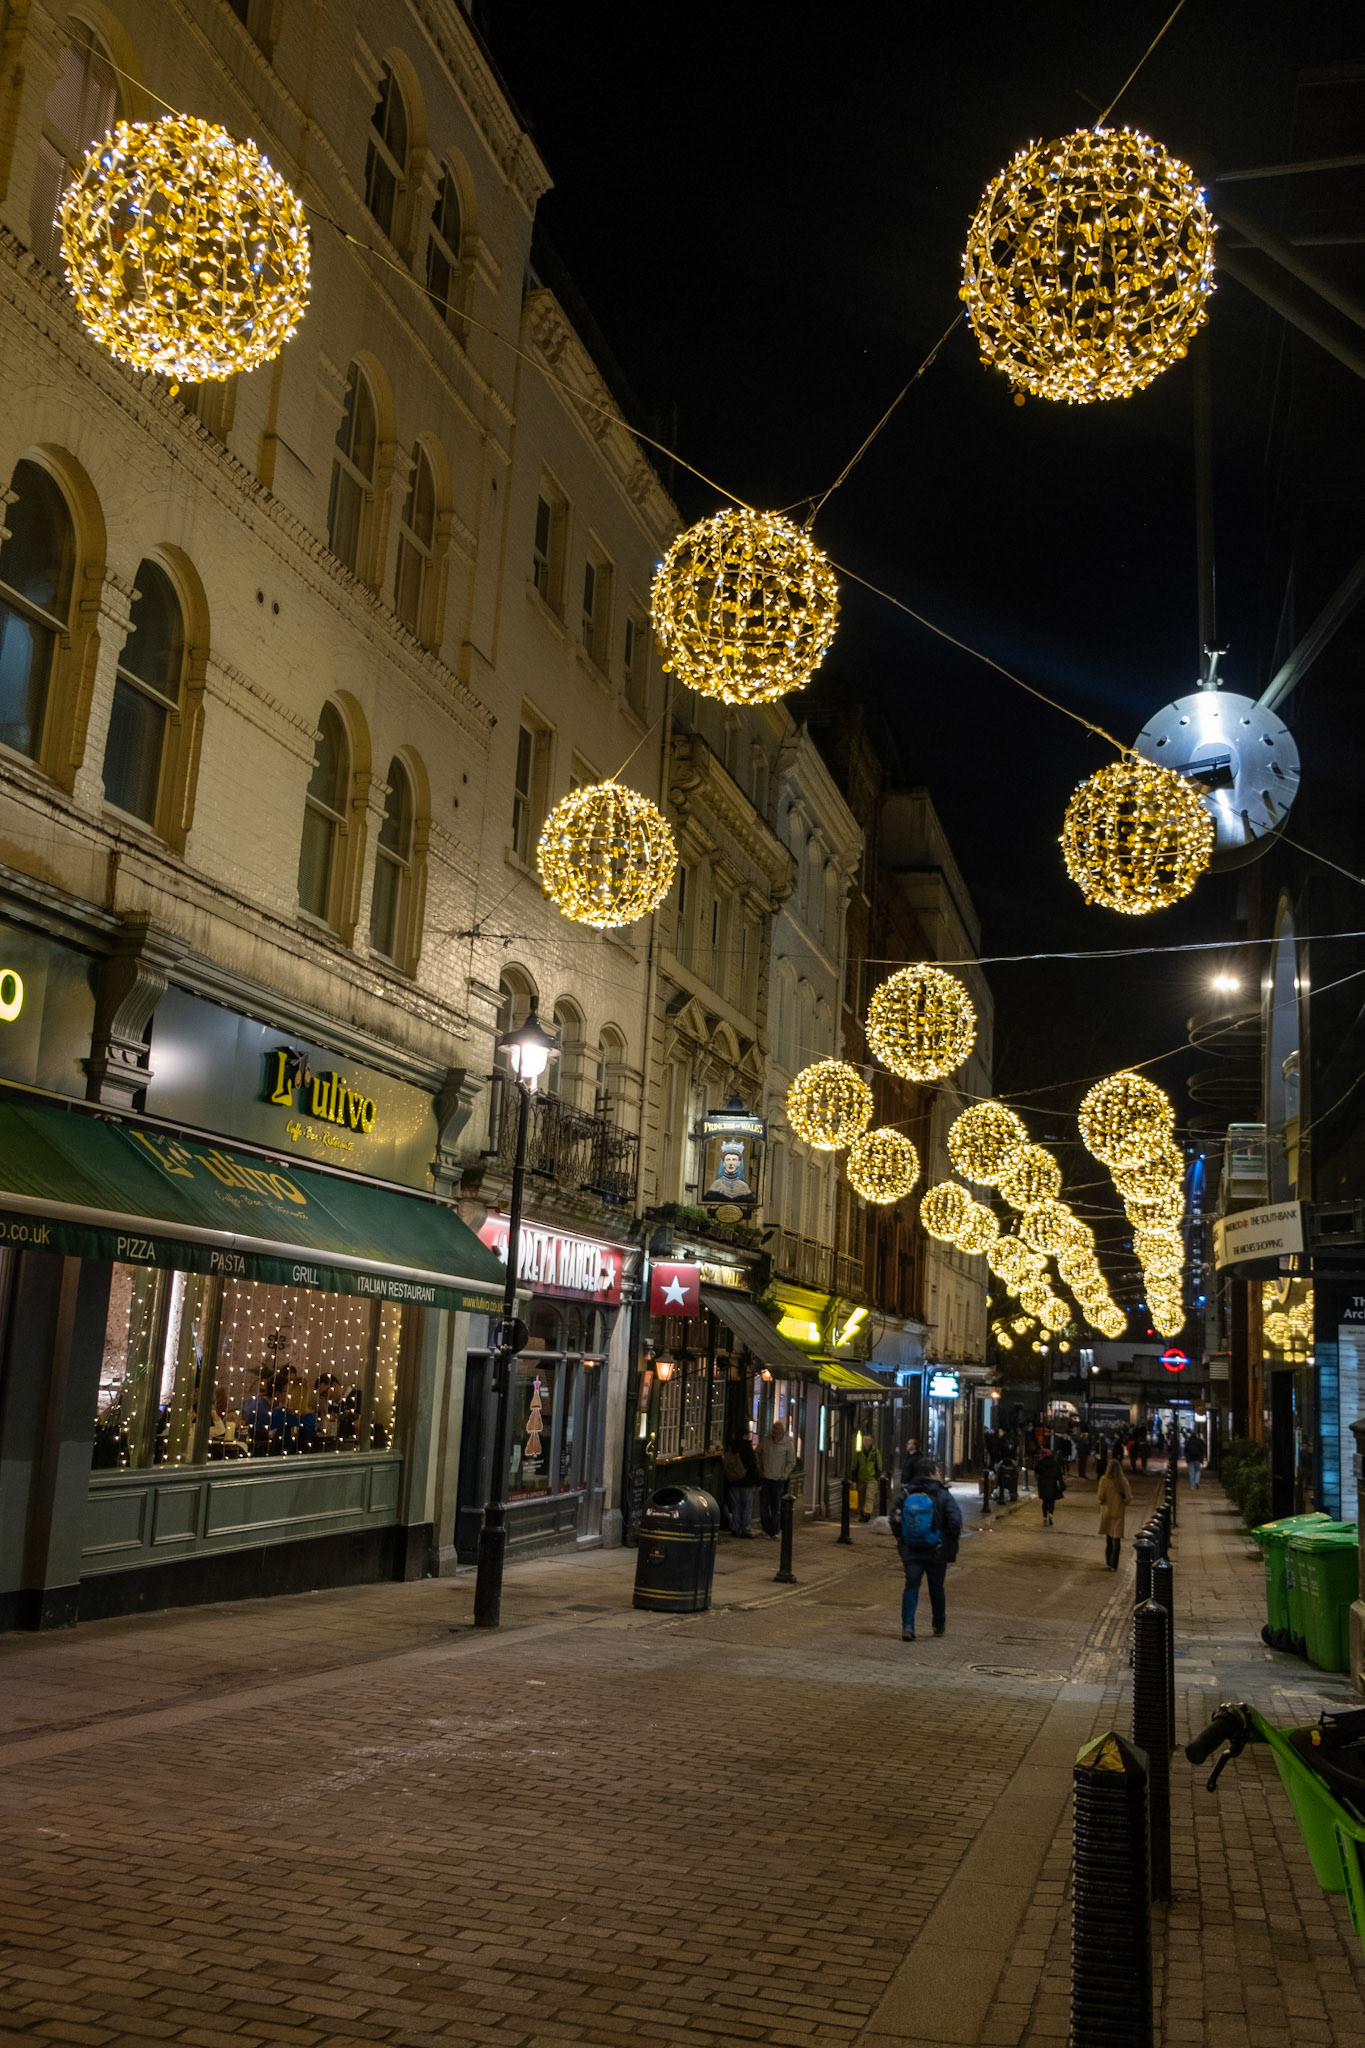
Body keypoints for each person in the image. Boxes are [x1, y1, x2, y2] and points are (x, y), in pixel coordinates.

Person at [890, 1456, 963, 1641]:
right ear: (931, 1473)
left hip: (911, 1550)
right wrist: (947, 1540)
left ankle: (908, 1627)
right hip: (936, 1550)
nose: (938, 1474)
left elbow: (894, 1519)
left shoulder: (906, 1493)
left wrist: (903, 1539)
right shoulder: (942, 1494)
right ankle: (938, 1624)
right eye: (937, 1471)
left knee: (911, 1587)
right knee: (936, 1588)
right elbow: (955, 1521)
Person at [757, 1417, 796, 1536]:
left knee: (776, 1507)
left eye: (777, 1430)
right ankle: (766, 1529)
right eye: (773, 1430)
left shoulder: (788, 1443)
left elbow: (791, 1462)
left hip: (778, 1481)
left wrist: (784, 1475)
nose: (774, 1432)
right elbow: (757, 1453)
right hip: (765, 1478)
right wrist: (760, 1469)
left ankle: (774, 1531)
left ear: (782, 1432)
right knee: (764, 1506)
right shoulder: (766, 1441)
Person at [1097, 1448, 1132, 1570]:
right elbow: (1128, 1498)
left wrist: (1103, 1501)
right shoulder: (1123, 1481)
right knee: (1117, 1538)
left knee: (1109, 1537)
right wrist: (1122, 1502)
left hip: (1107, 1511)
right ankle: (1114, 1564)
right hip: (1118, 1512)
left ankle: (1108, 1561)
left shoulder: (1104, 1480)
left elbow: (1100, 1496)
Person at [722, 1426, 761, 1536]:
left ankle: (735, 1528)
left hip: (733, 1481)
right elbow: (753, 1466)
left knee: (736, 1506)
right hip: (746, 1482)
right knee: (747, 1507)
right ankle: (745, 1529)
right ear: (744, 1436)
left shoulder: (730, 1447)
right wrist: (758, 1482)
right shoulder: (747, 1448)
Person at [852, 1434, 884, 1522]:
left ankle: (867, 1514)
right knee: (861, 1497)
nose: (867, 1442)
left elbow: (879, 1465)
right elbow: (854, 1465)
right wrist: (854, 1479)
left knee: (869, 1497)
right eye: (865, 1440)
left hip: (871, 1478)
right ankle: (862, 1513)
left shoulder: (875, 1452)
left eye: (868, 1440)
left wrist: (876, 1477)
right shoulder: (858, 1452)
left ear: (871, 1441)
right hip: (861, 1478)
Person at [1036, 1444, 1064, 1526]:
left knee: (1045, 1501)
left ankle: (1045, 1517)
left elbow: (1037, 1470)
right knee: (1051, 1501)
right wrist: (1060, 1483)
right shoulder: (1055, 1463)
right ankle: (1051, 1514)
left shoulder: (1041, 1463)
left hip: (1043, 1484)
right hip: (1052, 1483)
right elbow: (1059, 1473)